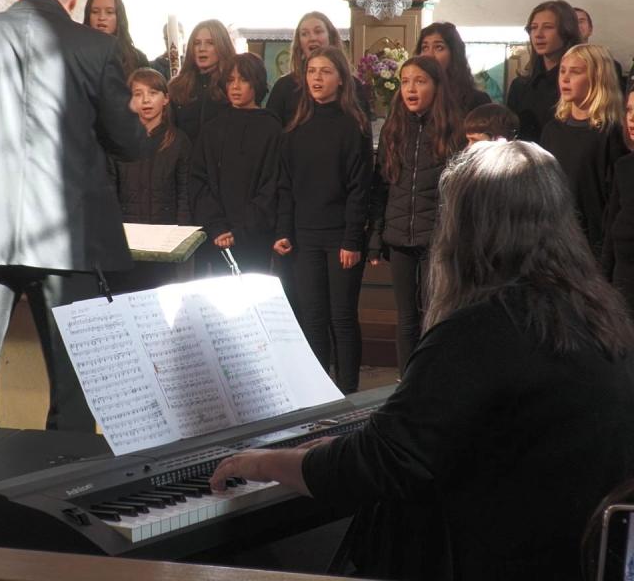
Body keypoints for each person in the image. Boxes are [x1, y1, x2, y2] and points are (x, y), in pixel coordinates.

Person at [211, 140, 634, 581]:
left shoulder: (482, 329)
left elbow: (377, 464)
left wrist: (262, 462)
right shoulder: (600, 315)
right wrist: (340, 448)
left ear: (465, 229)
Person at [0, 0, 148, 431]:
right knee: (74, 384)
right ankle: (65, 472)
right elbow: (129, 143)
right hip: (67, 238)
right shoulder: (97, 48)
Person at [273, 46, 372, 393]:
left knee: (341, 318)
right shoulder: (295, 128)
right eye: (312, 71)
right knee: (312, 319)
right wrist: (283, 230)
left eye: (325, 71)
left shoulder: (353, 126)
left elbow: (360, 188)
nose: (317, 77)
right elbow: (285, 185)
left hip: (341, 237)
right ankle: (319, 393)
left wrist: (352, 239)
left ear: (341, 79)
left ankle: (347, 394)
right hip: (304, 236)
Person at [367, 56, 465, 372]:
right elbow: (382, 187)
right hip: (399, 238)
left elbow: (457, 192)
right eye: (405, 81)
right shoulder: (394, 130)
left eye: (420, 81)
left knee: (433, 315)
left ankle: (431, 378)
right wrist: (376, 237)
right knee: (406, 317)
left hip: (436, 239)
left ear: (436, 87)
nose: (411, 88)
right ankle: (406, 380)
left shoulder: (452, 130)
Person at [190, 52, 282, 274]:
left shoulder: (272, 129)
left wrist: (242, 230)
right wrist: (217, 226)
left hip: (255, 237)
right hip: (217, 236)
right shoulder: (212, 129)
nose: (235, 86)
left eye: (243, 79)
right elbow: (198, 181)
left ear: (256, 83)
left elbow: (272, 186)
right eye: (230, 80)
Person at [540, 43, 628, 258]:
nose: (565, 78)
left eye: (575, 72)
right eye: (562, 71)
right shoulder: (552, 130)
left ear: (597, 78)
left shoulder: (611, 133)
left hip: (592, 246)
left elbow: (614, 199)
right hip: (553, 242)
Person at [108, 67, 191, 225]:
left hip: (167, 228)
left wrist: (182, 229)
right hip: (129, 229)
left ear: (166, 98)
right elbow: (109, 192)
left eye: (153, 93)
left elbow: (184, 193)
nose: (146, 100)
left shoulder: (178, 141)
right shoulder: (118, 141)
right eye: (138, 94)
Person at [265, 11, 373, 127]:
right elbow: (270, 130)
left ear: (330, 37)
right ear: (299, 43)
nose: (312, 38)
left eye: (318, 31)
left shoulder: (353, 86)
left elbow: (364, 131)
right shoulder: (284, 86)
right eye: (305, 34)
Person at [507, 0, 581, 143]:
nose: (538, 34)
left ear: (566, 31)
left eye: (548, 27)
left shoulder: (578, 83)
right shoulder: (520, 86)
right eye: (533, 28)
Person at [167, 19, 235, 140]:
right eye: (197, 43)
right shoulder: (177, 87)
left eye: (210, 43)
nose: (202, 48)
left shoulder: (233, 85)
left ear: (222, 46)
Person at [602, 90, 634, 316]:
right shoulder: (624, 167)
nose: (631, 118)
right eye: (629, 110)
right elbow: (609, 239)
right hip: (622, 304)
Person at [414, 22, 492, 114]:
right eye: (425, 48)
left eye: (439, 47)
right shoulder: (412, 97)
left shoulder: (476, 100)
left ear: (454, 54)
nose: (429, 55)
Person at [83, 0, 149, 78]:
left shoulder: (138, 59)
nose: (101, 17)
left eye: (109, 12)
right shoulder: (77, 53)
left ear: (119, 16)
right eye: (95, 12)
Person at [575, 6, 625, 83]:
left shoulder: (609, 66)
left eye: (581, 21)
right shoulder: (556, 63)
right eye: (571, 22)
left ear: (590, 29)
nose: (576, 25)